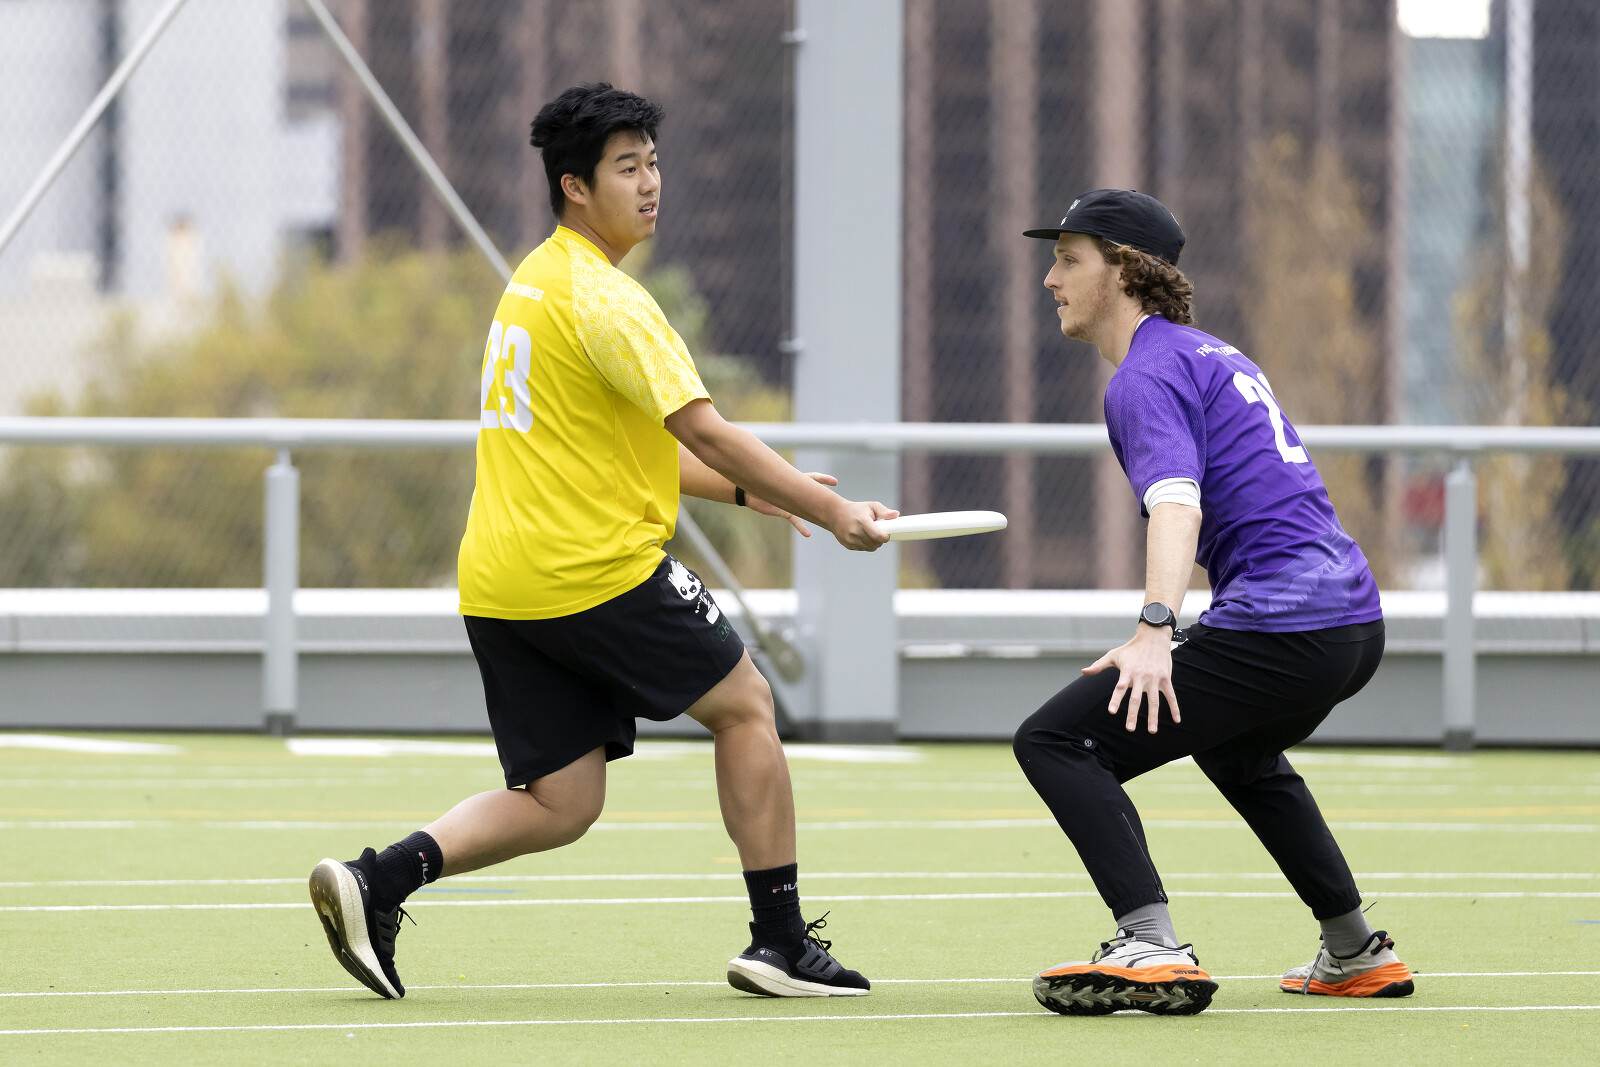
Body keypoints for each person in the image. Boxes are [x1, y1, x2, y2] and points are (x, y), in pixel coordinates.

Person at [308, 83, 896, 1001]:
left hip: (502, 585)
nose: (650, 183)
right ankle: (781, 943)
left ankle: (377, 879)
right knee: (745, 704)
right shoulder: (610, 300)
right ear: (574, 186)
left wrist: (766, 493)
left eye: (653, 164)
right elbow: (704, 430)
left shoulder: (533, 283)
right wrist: (831, 513)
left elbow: (629, 451)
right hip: (593, 573)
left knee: (563, 800)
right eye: (627, 168)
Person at [1011, 189, 1414, 1017]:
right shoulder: (1208, 353)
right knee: (1238, 752)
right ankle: (1355, 950)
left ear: (1124, 271)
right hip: (1350, 622)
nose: (1051, 279)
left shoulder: (1144, 375)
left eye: (1069, 260)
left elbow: (1177, 503)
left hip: (1288, 624)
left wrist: (1154, 629)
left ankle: (1149, 941)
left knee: (1056, 740)